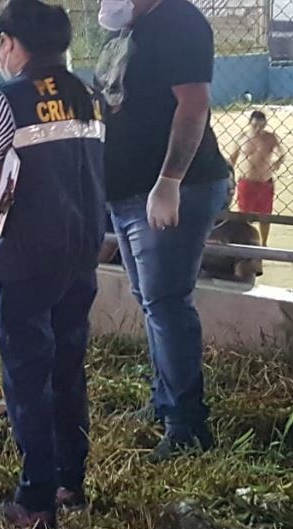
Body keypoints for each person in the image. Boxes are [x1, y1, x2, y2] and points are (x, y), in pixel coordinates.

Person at [0, 0, 106, 529]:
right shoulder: (88, 96)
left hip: (27, 258)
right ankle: (69, 483)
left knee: (27, 377)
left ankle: (33, 502)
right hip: (80, 252)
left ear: (11, 44)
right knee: (67, 369)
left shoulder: (3, 101)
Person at [96, 0, 232, 461]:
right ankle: (166, 404)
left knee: (166, 302)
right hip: (130, 191)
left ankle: (186, 427)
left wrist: (169, 181)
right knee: (152, 301)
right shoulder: (133, 29)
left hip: (174, 187)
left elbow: (193, 106)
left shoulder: (178, 20)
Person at [229, 110, 285, 245]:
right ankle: (245, 242)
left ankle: (264, 243)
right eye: (255, 126)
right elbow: (232, 159)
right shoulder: (242, 138)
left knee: (265, 216)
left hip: (265, 182)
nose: (258, 129)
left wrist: (278, 161)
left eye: (261, 126)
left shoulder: (271, 138)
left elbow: (282, 153)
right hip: (246, 182)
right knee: (244, 215)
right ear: (249, 124)